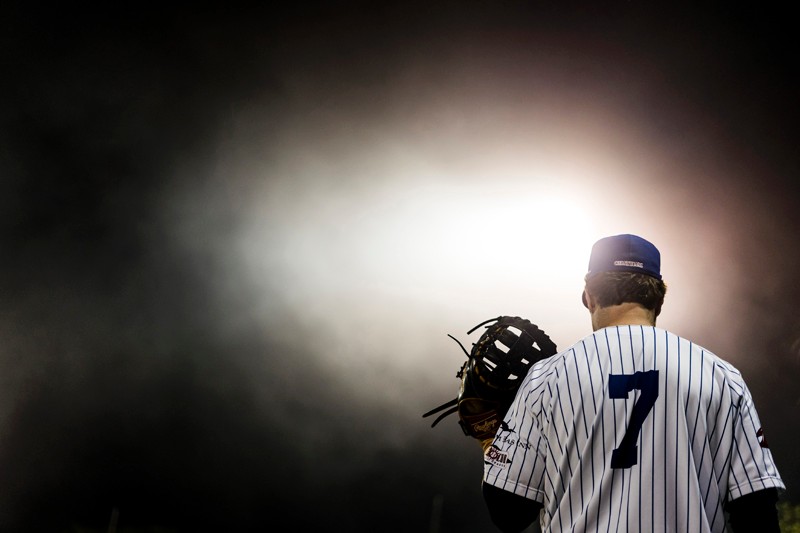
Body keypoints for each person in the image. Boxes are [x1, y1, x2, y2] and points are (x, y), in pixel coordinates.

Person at [481, 234, 785, 532]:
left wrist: (494, 435)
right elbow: (756, 512)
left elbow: (509, 513)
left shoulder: (546, 378)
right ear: (660, 299)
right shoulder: (722, 377)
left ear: (588, 296)